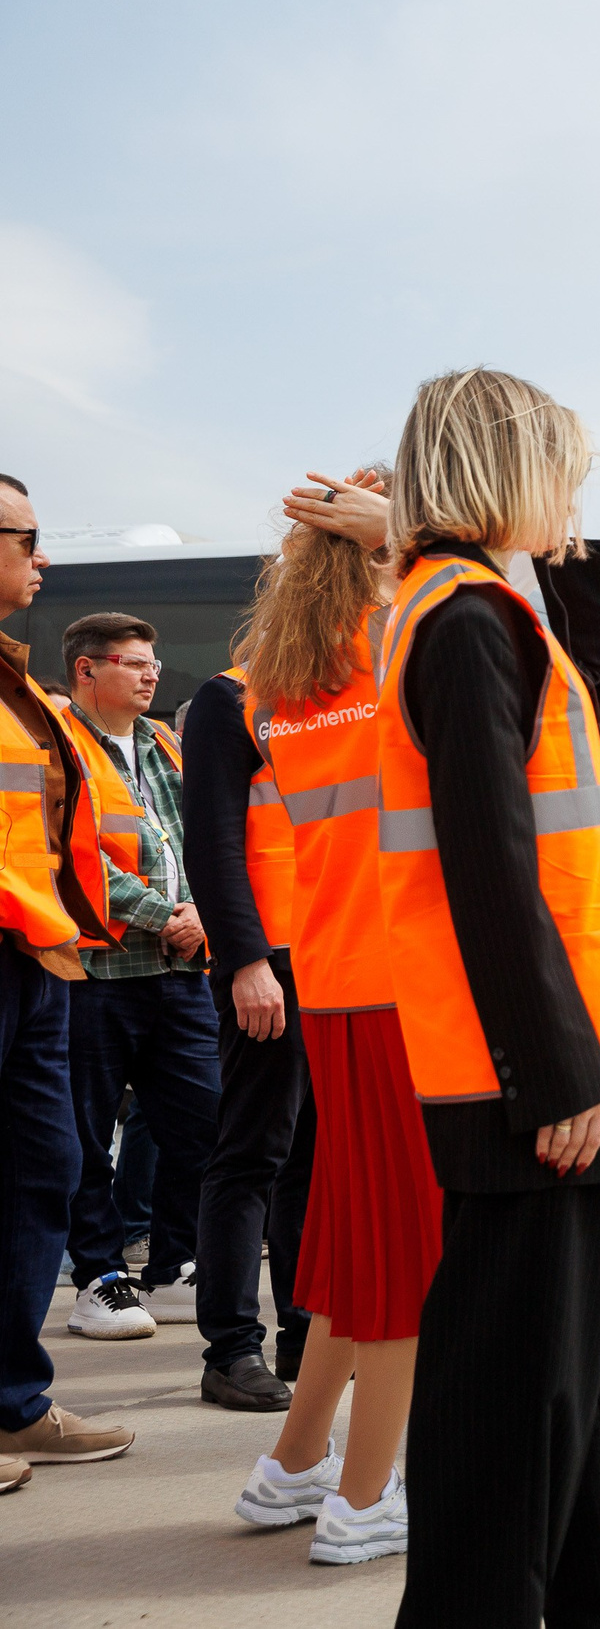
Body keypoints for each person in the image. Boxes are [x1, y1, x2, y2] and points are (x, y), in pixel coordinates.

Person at [374, 368, 600, 1626]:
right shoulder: (460, 618)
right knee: (518, 1403)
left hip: (590, 1039)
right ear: (510, 468)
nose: (573, 498)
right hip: (536, 1066)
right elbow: (488, 867)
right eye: (561, 468)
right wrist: (550, 1067)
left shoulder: (489, 604)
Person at [220, 486, 448, 1562]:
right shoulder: (398, 649)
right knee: (400, 1247)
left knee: (361, 1238)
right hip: (409, 980)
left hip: (339, 976)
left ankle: (296, 1462)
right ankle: (364, 1498)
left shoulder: (282, 682)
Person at [0, 473, 130, 1485]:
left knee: (44, 1168)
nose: (44, 560)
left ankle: (12, 1402)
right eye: (29, 538)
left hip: (39, 958)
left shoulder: (17, 681)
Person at [57, 614, 221, 1338]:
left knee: (207, 1120)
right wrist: (165, 913)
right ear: (86, 670)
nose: (152, 673)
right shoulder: (57, 745)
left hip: (181, 967)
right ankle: (99, 1277)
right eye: (132, 662)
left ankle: (175, 1262)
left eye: (153, 661)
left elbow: (209, 838)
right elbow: (72, 855)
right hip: (94, 969)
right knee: (85, 1133)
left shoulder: (167, 745)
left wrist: (207, 914)